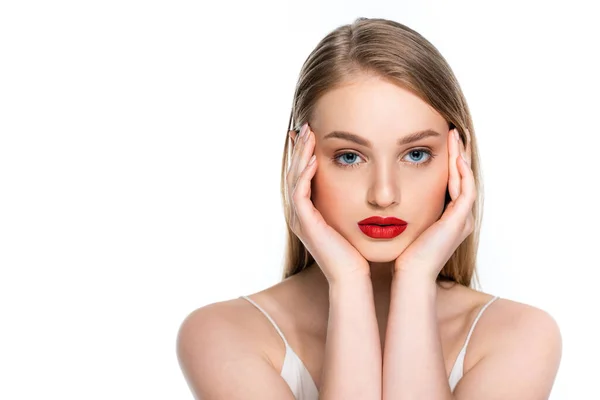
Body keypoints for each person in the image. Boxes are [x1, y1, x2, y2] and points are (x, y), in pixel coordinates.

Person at [176, 17, 562, 399]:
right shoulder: (222, 335)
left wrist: (415, 279)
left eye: (415, 154)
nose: (383, 194)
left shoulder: (521, 336)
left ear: (458, 159)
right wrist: (347, 283)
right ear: (300, 159)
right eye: (349, 157)